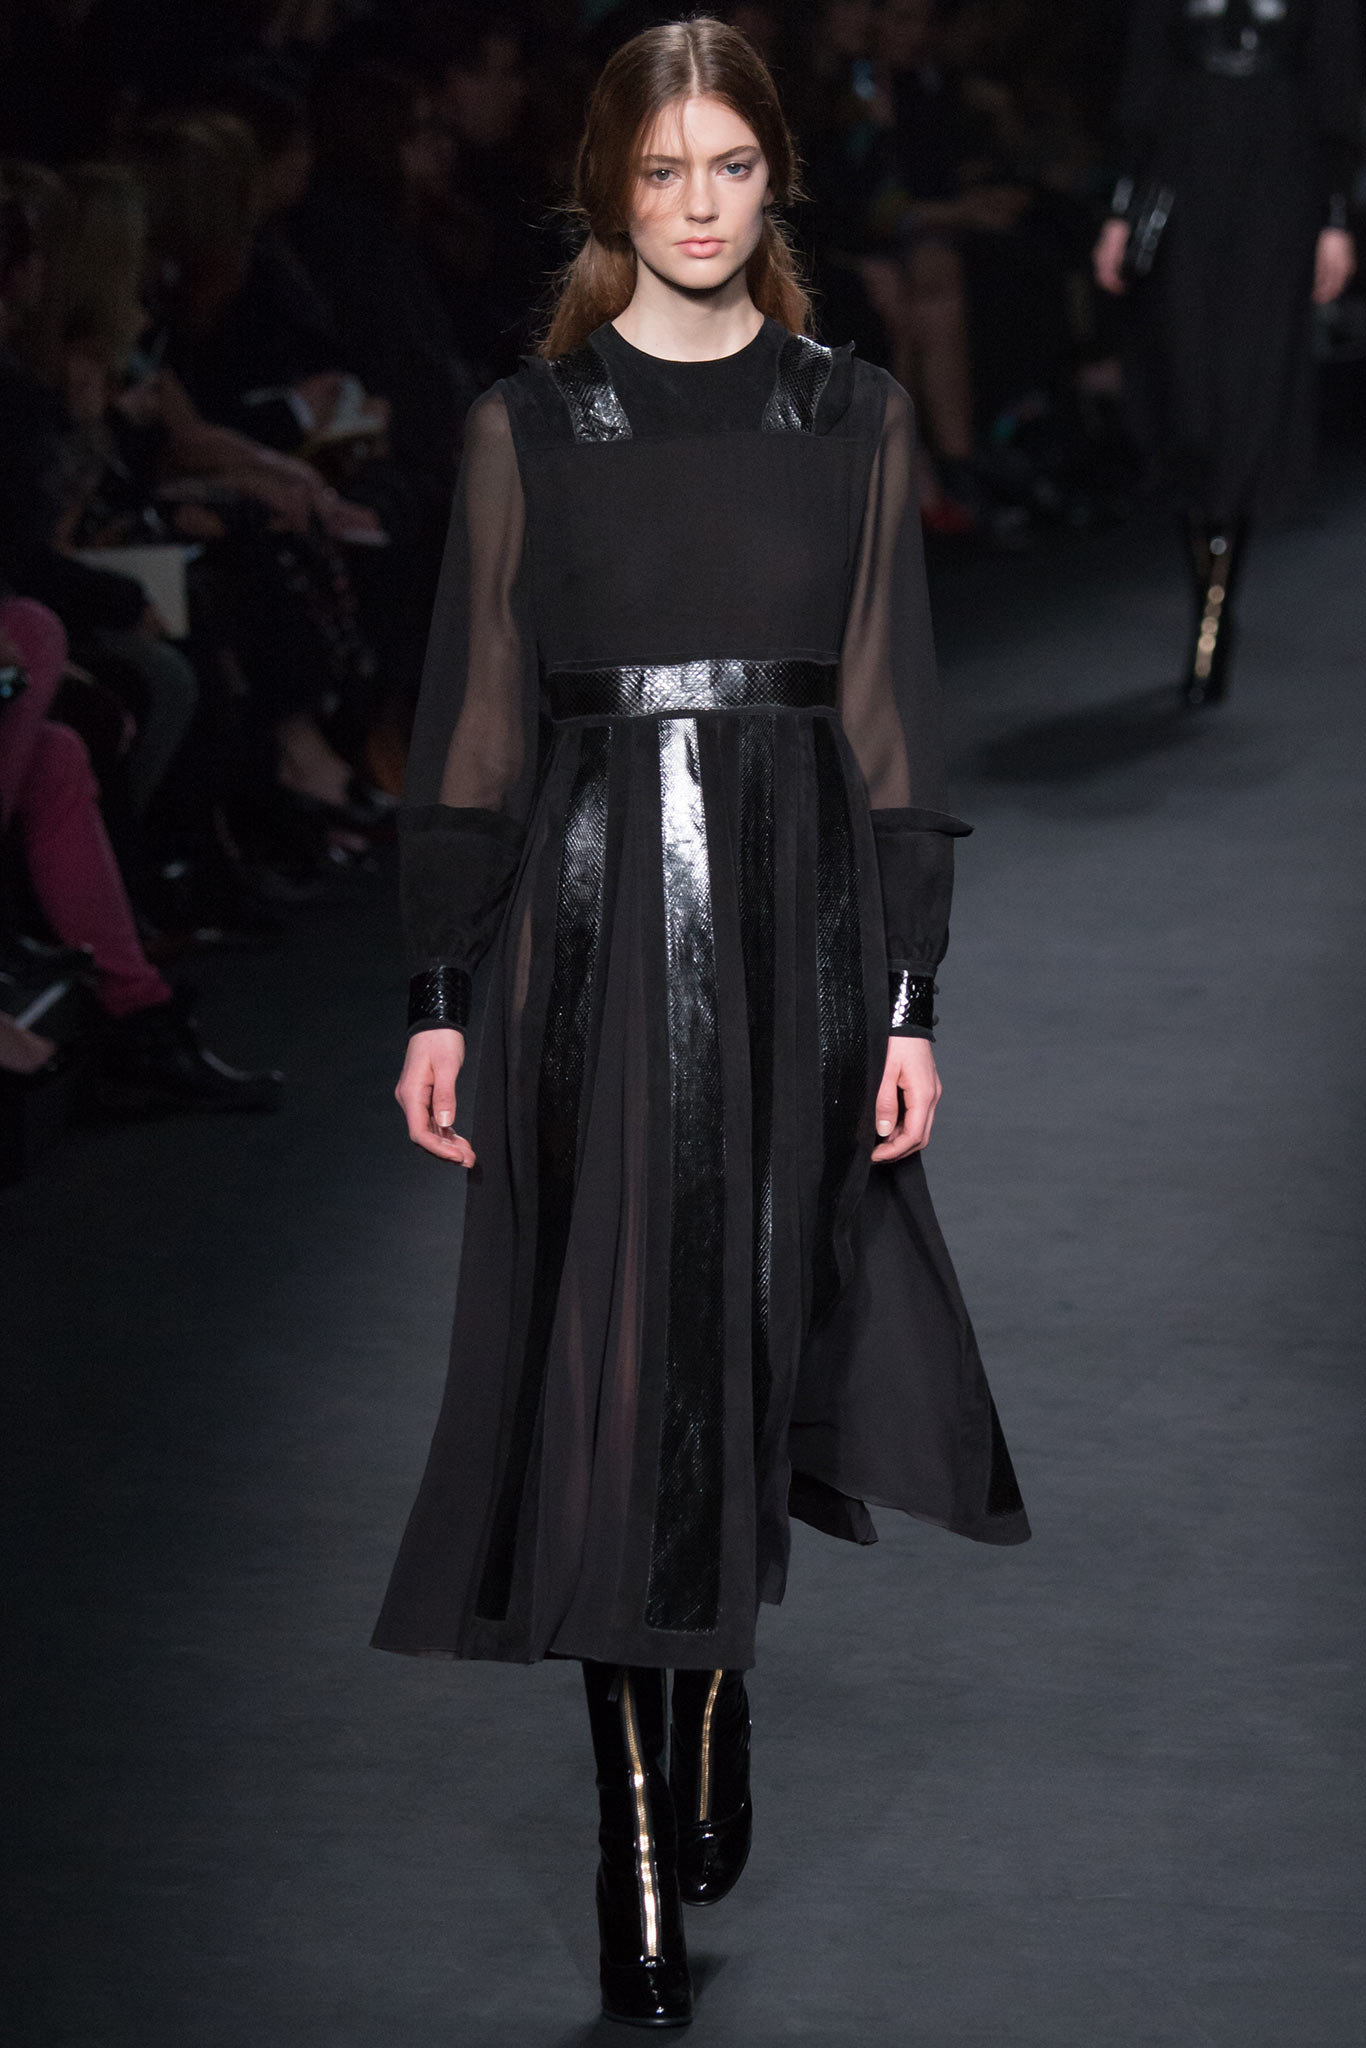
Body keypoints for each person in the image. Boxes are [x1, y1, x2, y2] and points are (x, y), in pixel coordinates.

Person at [377, 18, 1029, 2030]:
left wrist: (908, 995)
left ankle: (717, 1663)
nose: (693, 205)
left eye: (727, 166)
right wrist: (438, 986)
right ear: (607, 183)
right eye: (658, 171)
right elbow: (474, 717)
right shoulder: (531, 425)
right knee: (606, 1364)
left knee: (748, 1327)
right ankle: (633, 1850)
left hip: (793, 926)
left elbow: (890, 713)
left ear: (771, 178)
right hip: (575, 934)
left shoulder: (848, 411)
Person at [1094, 0, 1361, 706]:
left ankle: (1211, 620)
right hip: (1183, 187)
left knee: (1246, 398)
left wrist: (1337, 218)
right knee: (1189, 404)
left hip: (1279, 189)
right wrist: (1120, 210)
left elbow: (1335, 86)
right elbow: (1145, 81)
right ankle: (1209, 602)